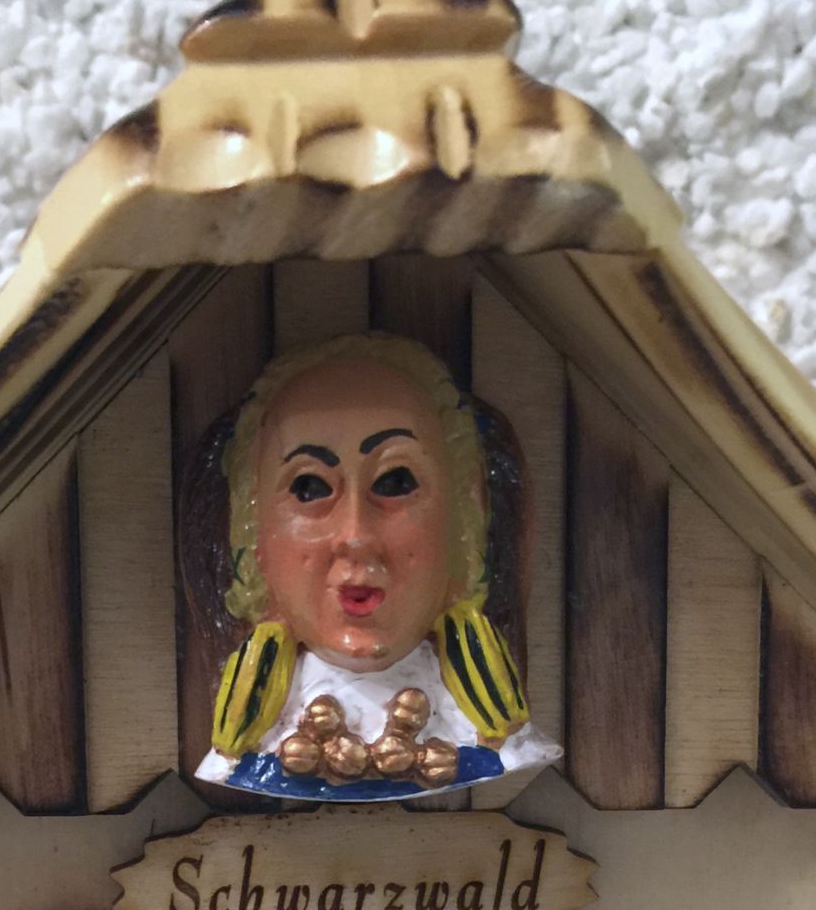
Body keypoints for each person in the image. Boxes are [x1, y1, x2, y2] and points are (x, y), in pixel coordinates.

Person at [186, 332, 561, 801]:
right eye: (309, 488)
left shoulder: (489, 739)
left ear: (466, 516)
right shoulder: (249, 742)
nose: (356, 535)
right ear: (250, 533)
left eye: (395, 482)